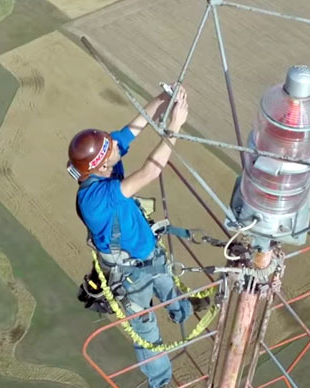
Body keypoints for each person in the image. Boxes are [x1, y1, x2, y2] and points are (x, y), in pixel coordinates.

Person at [68, 85, 191, 388]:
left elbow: (133, 127)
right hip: (128, 275)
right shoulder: (95, 198)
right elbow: (149, 172)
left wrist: (164, 100)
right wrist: (174, 129)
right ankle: (161, 383)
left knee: (168, 286)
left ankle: (184, 315)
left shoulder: (102, 162)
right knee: (147, 333)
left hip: (148, 251)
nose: (115, 146)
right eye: (110, 148)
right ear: (100, 163)